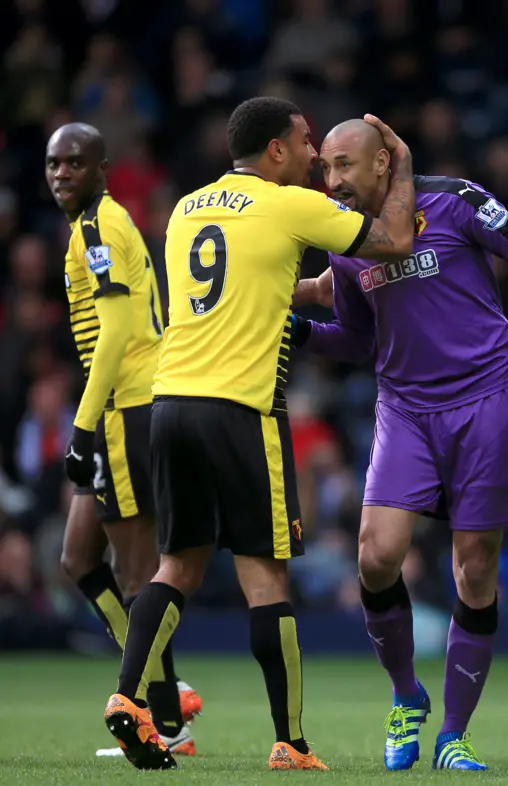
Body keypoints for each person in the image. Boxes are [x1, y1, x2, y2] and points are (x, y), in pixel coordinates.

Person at [102, 96, 417, 771]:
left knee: (175, 568)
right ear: (276, 150)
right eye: (306, 143)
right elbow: (394, 242)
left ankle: (128, 699)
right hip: (241, 409)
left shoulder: (186, 208)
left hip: (170, 403)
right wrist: (406, 169)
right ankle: (291, 743)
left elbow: (247, 281)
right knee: (266, 579)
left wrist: (306, 291)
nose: (314, 159)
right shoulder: (287, 204)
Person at [292, 119, 508, 772]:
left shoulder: (454, 200)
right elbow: (355, 339)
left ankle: (454, 735)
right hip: (404, 409)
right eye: (325, 168)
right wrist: (290, 328)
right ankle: (406, 694)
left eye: (344, 165)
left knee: (475, 568)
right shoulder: (347, 243)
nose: (333, 181)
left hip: (487, 401)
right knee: (376, 558)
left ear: (384, 162)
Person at [45, 123, 202, 758]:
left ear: (102, 169)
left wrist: (81, 426)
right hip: (121, 406)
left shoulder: (100, 228)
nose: (61, 175)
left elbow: (113, 334)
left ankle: (159, 717)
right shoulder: (97, 225)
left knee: (137, 575)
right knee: (79, 560)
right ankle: (167, 699)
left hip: (128, 407)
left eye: (74, 164)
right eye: (54, 165)